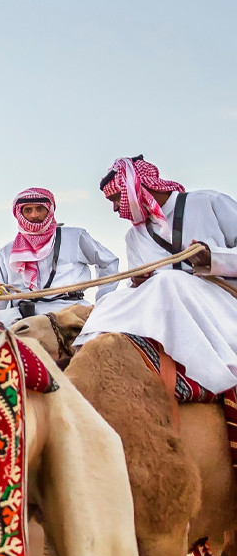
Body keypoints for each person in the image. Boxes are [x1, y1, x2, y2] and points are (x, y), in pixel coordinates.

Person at [78, 155, 237, 399]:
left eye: (116, 198)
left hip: (223, 300)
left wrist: (213, 258)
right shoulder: (134, 236)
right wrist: (138, 281)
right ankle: (91, 361)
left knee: (167, 281)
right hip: (167, 303)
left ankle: (215, 374)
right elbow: (137, 284)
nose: (115, 208)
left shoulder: (206, 202)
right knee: (109, 301)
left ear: (136, 188)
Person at [0, 188, 120, 325]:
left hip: (71, 310)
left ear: (49, 210)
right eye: (28, 210)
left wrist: (102, 302)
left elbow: (108, 262)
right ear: (19, 214)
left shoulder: (75, 237)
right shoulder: (6, 252)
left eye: (39, 209)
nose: (34, 215)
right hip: (22, 315)